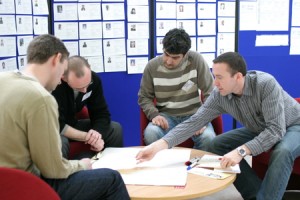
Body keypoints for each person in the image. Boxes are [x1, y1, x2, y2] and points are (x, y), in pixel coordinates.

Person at [136, 52, 300, 200]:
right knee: (215, 145)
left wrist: (240, 151)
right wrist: (157, 146)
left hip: (293, 125)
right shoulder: (219, 95)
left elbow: (275, 130)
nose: (215, 83)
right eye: (215, 76)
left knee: (283, 151)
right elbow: (194, 122)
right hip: (260, 128)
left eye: (220, 77)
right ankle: (255, 195)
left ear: (237, 77)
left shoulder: (265, 84)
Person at [0, 34, 130, 200]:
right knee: (112, 179)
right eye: (63, 70)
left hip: (4, 182)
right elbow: (54, 170)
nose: (61, 80)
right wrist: (82, 165)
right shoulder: (42, 98)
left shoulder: (3, 79)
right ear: (57, 59)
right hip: (28, 184)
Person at [138, 28, 216, 151]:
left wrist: (203, 119)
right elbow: (144, 97)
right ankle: (166, 167)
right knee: (151, 133)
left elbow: (211, 93)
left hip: (194, 116)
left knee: (208, 138)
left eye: (175, 57)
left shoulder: (196, 60)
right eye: (166, 54)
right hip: (166, 117)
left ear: (185, 55)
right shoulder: (152, 66)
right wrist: (154, 115)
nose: (169, 61)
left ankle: (196, 166)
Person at [52, 55, 123, 159]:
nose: (85, 90)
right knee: (60, 142)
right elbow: (58, 125)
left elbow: (101, 113)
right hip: (54, 129)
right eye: (79, 87)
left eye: (87, 84)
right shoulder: (54, 86)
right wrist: (88, 137)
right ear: (64, 77)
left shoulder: (94, 80)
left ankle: (112, 167)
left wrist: (97, 132)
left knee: (115, 129)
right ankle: (66, 173)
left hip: (73, 123)